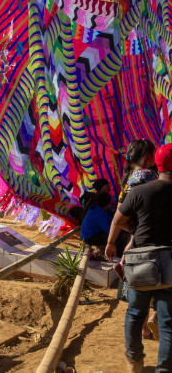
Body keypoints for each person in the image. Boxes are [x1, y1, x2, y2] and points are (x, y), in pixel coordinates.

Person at [106, 143, 172, 372]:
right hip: (170, 260)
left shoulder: (137, 187)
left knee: (135, 313)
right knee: (168, 321)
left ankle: (135, 363)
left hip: (142, 256)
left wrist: (114, 241)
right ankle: (165, 368)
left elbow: (118, 220)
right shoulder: (147, 178)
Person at [80, 192, 124, 256]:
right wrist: (121, 231)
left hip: (91, 235)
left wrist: (123, 229)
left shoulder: (98, 209)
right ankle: (118, 258)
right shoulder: (98, 213)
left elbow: (112, 221)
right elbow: (108, 230)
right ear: (108, 204)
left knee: (117, 235)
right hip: (88, 237)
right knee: (117, 238)